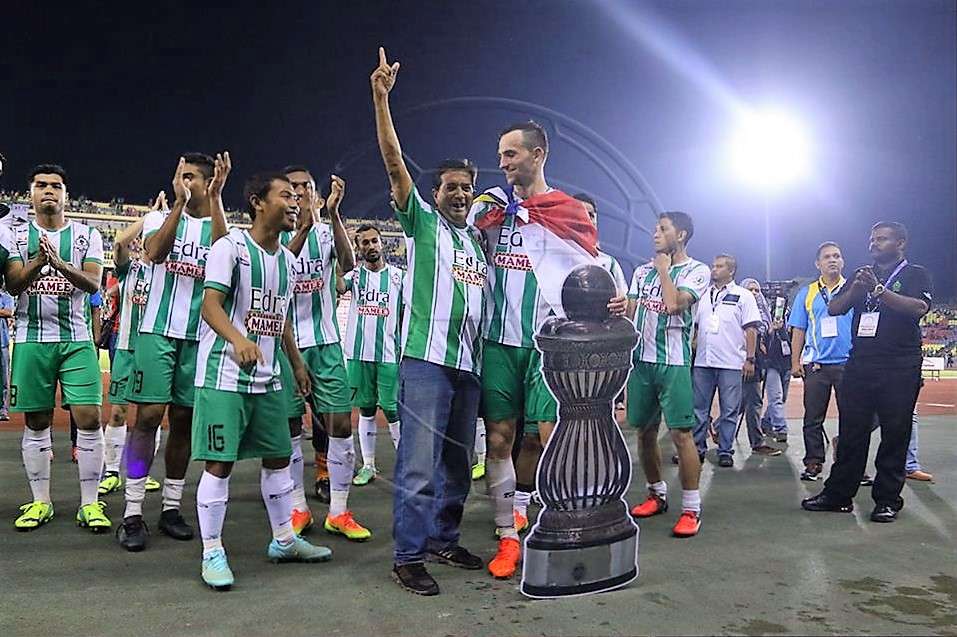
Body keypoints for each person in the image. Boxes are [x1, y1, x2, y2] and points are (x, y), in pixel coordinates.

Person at [373, 47, 486, 595]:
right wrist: (381, 99)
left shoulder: (479, 243)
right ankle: (408, 556)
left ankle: (444, 538)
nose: (459, 194)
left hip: (470, 367)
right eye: (450, 187)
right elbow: (395, 163)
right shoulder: (422, 223)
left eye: (466, 187)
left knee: (458, 465)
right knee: (418, 465)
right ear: (435, 194)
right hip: (425, 362)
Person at [469, 123, 602, 578]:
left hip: (549, 345)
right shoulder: (488, 209)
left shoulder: (567, 211)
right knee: (499, 439)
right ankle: (508, 535)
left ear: (538, 154)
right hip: (498, 343)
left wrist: (610, 300)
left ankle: (566, 523)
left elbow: (590, 275)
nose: (502, 162)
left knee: (550, 437)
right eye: (500, 154)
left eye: (510, 154)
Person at [192, 172, 331, 590]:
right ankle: (212, 550)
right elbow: (210, 306)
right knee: (220, 464)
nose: (295, 203)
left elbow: (282, 318)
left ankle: (284, 540)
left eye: (297, 198)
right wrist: (238, 340)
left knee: (278, 459)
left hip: (269, 378)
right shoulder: (231, 247)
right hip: (223, 376)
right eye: (286, 196)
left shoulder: (288, 261)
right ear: (258, 202)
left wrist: (297, 364)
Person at [117, 153, 230, 551]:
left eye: (193, 177)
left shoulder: (221, 227)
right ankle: (132, 512)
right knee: (147, 417)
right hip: (157, 331)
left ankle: (170, 507)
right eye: (181, 175)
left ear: (208, 182)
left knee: (183, 421)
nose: (186, 182)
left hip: (199, 337)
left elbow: (224, 261)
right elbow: (154, 253)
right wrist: (178, 204)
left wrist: (216, 199)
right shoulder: (157, 218)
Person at [803, 221, 932, 522]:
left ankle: (887, 500)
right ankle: (838, 495)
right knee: (852, 431)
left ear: (900, 243)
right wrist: (856, 290)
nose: (874, 243)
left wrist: (879, 291)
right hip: (860, 361)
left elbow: (918, 308)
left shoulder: (916, 274)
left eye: (882, 239)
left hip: (900, 364)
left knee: (895, 433)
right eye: (872, 239)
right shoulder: (861, 274)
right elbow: (835, 308)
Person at [5, 164, 109, 532]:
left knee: (89, 417)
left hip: (76, 338)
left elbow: (94, 283)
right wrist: (38, 261)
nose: (48, 190)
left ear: (66, 195)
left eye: (56, 186)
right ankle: (41, 502)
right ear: (30, 193)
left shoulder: (86, 235)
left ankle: (90, 503)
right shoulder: (13, 235)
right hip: (31, 338)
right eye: (41, 185)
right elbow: (14, 284)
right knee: (36, 421)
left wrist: (59, 263)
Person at [281, 167, 369, 540]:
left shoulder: (326, 232)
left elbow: (348, 265)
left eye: (307, 186)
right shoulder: (274, 234)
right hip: (284, 344)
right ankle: (298, 508)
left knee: (340, 424)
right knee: (288, 428)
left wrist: (333, 214)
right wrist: (303, 227)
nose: (301, 191)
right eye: (293, 187)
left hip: (326, 343)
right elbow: (280, 268)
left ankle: (339, 511)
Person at [626, 211, 710, 537]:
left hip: (673, 363)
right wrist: (620, 307)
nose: (655, 234)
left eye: (663, 229)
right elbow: (631, 311)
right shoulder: (641, 272)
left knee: (681, 436)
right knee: (644, 433)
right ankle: (656, 494)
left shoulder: (697, 270)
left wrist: (663, 269)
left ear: (682, 235)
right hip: (641, 362)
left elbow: (675, 304)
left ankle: (691, 508)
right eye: (655, 229)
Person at [98, 198, 162, 497]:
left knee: (150, 416)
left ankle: (140, 471)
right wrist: (150, 216)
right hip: (126, 348)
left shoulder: (168, 273)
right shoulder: (130, 270)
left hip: (156, 350)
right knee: (118, 413)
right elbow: (121, 242)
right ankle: (112, 472)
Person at [340, 223, 403, 486]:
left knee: (391, 409)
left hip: (389, 355)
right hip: (358, 353)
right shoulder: (354, 276)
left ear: (382, 243)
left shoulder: (399, 277)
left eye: (374, 240)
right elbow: (337, 286)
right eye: (364, 242)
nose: (371, 246)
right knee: (365, 409)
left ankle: (405, 466)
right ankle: (368, 465)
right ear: (358, 248)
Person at [788, 242, 853, 481]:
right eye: (827, 257)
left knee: (854, 417)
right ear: (818, 264)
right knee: (813, 417)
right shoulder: (807, 293)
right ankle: (813, 461)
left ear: (843, 261)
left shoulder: (853, 289)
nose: (833, 260)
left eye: (837, 255)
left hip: (849, 363)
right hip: (816, 364)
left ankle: (850, 461)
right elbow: (798, 329)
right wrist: (795, 362)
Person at [691, 255, 762, 466]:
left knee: (729, 410)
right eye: (713, 266)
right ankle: (696, 449)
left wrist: (750, 358)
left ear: (731, 271)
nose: (714, 269)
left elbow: (751, 329)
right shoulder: (703, 294)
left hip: (731, 362)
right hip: (703, 361)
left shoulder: (743, 295)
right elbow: (696, 325)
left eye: (719, 266)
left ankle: (725, 451)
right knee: (698, 409)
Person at [739, 277, 785, 455]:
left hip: (758, 359)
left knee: (746, 400)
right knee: (752, 400)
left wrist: (773, 329)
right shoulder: (739, 308)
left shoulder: (764, 311)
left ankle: (718, 427)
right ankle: (757, 442)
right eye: (750, 290)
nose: (754, 293)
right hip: (743, 358)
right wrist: (749, 358)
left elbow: (764, 336)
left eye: (756, 290)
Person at [0, 290, 13, 420]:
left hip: (2, 342)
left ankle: (3, 409)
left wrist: (3, 312)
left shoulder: (5, 296)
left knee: (4, 377)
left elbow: (8, 312)